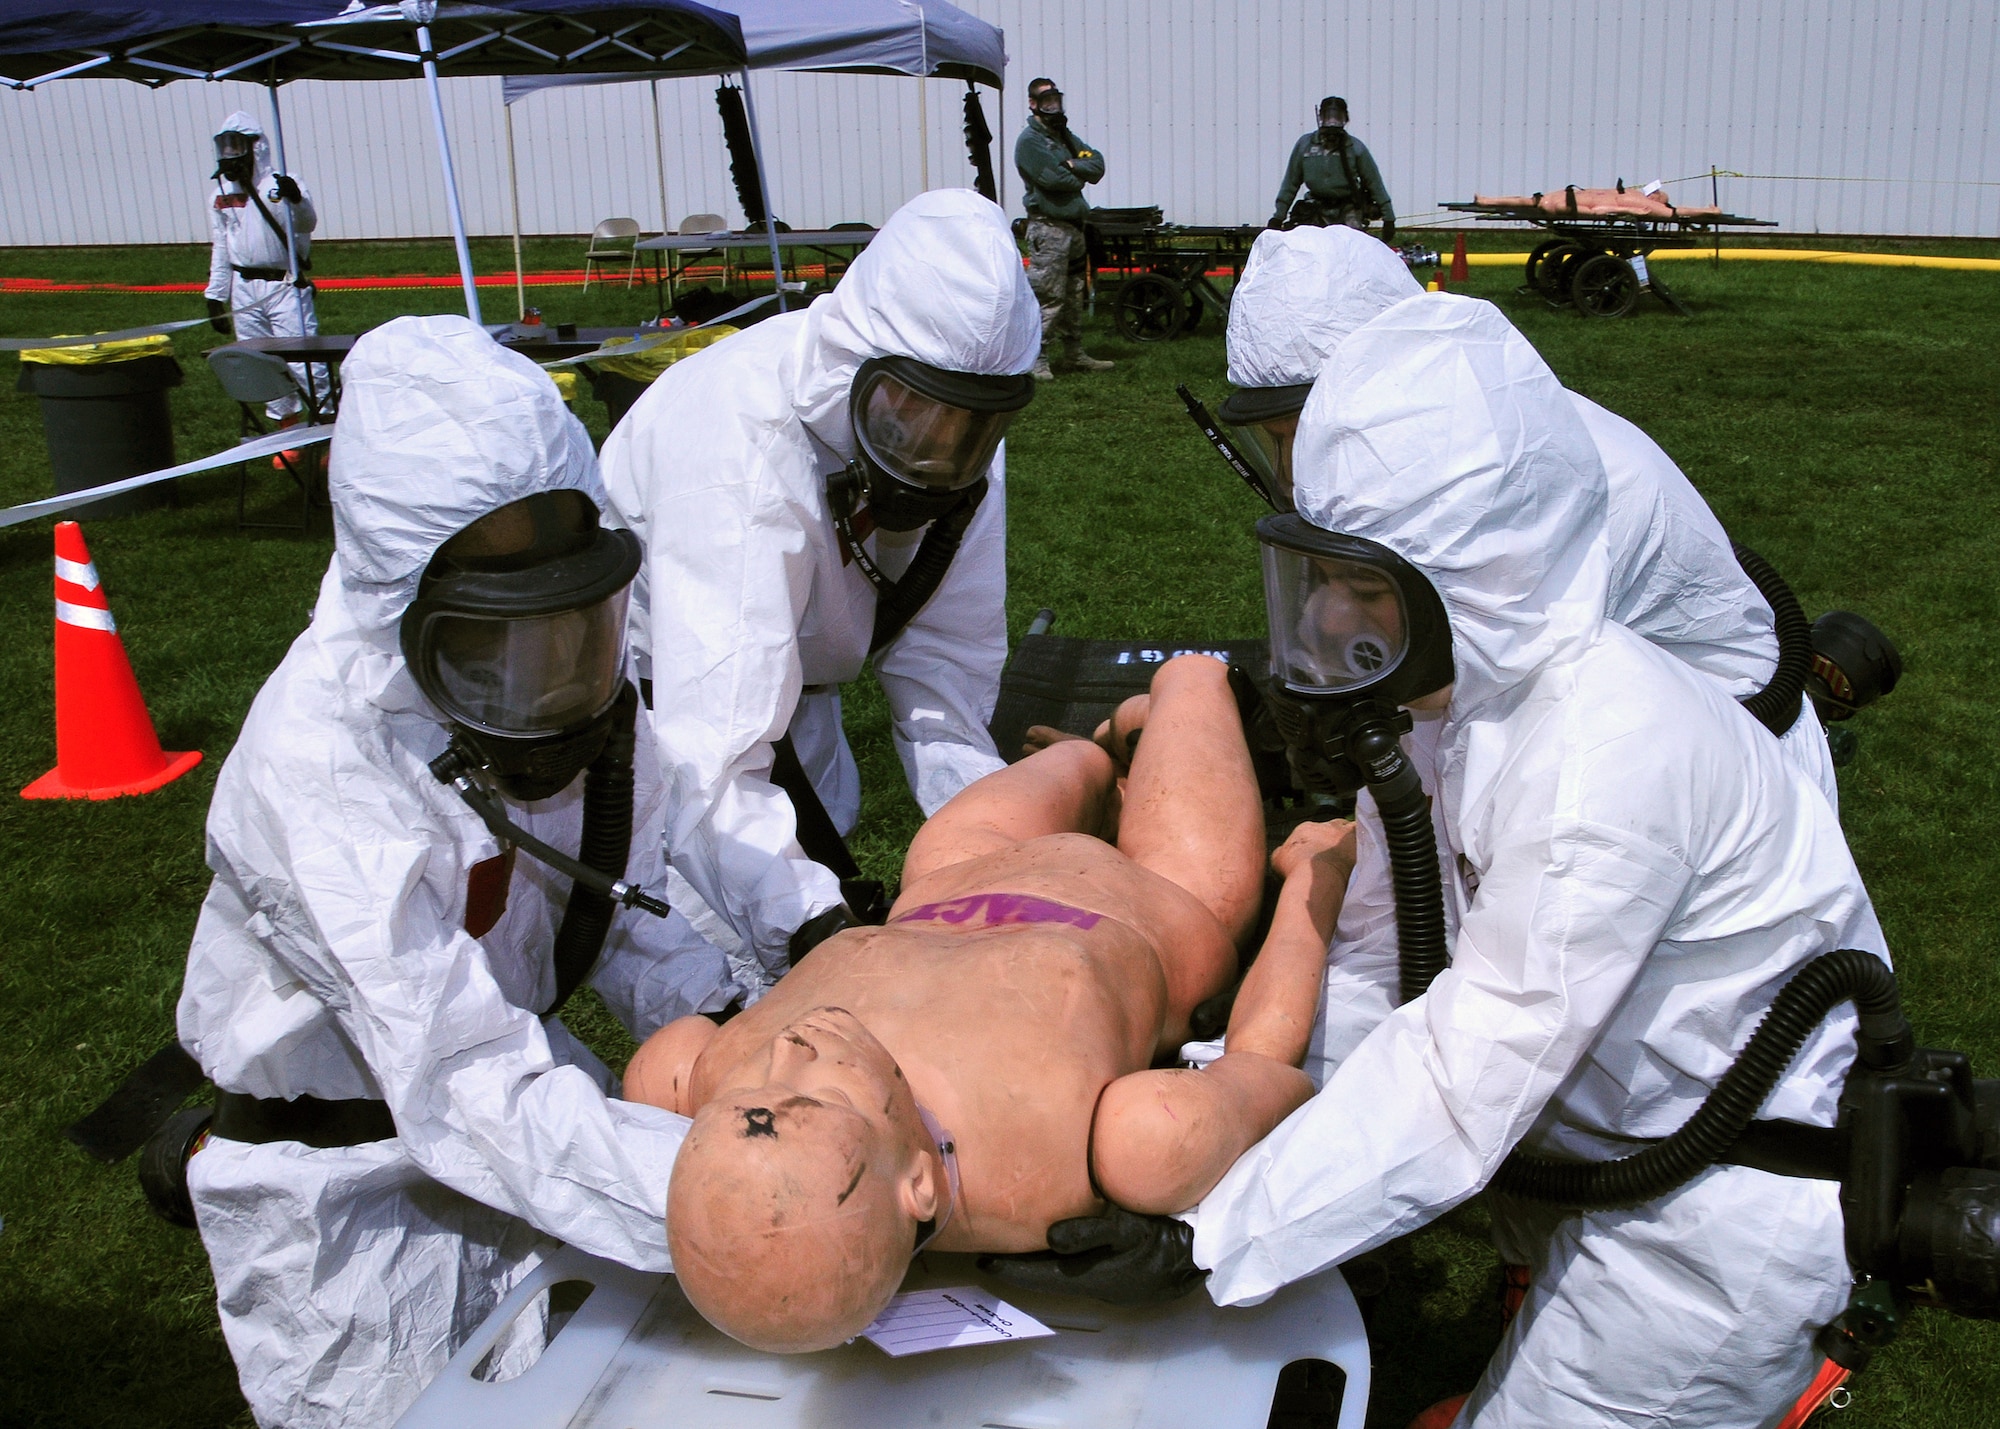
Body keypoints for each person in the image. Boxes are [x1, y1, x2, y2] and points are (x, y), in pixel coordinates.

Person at [999, 295, 1891, 1428]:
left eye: (1361, 590)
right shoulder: (1456, 701)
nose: (1325, 621)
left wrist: (1203, 1232)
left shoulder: (1603, 758)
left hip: (1710, 1217)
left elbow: (1460, 1085)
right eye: (1319, 577)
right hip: (1607, 1132)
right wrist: (1224, 1098)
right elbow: (1379, 948)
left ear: (1475, 576)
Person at [177, 315, 729, 1429]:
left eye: (576, 627)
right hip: (344, 1195)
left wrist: (744, 1035)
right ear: (406, 619)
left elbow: (630, 906)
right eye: (501, 654)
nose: (557, 682)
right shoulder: (318, 764)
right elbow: (461, 1082)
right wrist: (733, 1197)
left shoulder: (586, 691)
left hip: (531, 1107)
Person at [624, 654, 1356, 1352]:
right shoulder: (1089, 1145)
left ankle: (1105, 757)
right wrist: (1309, 885)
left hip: (961, 865)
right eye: (813, 1099)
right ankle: (1142, 733)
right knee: (1193, 680)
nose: (789, 1050)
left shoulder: (715, 1072)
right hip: (1169, 892)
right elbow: (1264, 1062)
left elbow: (669, 1070)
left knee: (1080, 764)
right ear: (916, 1182)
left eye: (757, 1092)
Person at [1206, 223, 1839, 821]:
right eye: (1274, 442)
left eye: (1300, 435)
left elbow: (1489, 699)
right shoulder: (1450, 455)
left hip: (1700, 781)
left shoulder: (1533, 486)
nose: (1291, 476)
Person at [599, 189, 1040, 996]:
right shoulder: (741, 449)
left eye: (967, 427)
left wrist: (998, 848)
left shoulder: (962, 450)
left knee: (819, 886)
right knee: (738, 1006)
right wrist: (816, 929)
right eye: (908, 413)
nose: (936, 449)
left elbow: (945, 676)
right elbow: (714, 764)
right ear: (855, 366)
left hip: (802, 702)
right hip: (670, 732)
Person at [204, 112, 328, 424]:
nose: (231, 154)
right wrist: (216, 294)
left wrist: (296, 199)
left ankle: (325, 421)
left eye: (238, 146)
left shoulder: (281, 185)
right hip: (244, 287)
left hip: (284, 284)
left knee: (303, 358)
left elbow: (306, 223)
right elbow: (222, 243)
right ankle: (285, 425)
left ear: (255, 147)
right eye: (226, 146)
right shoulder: (220, 195)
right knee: (258, 359)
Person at [1015, 77, 1114, 380]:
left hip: (1073, 228)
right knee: (1048, 296)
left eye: (1056, 100)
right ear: (1033, 104)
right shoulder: (1030, 142)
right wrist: (1076, 173)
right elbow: (1053, 181)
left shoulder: (1064, 137)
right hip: (1049, 229)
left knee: (1073, 295)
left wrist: (1071, 165)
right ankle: (1036, 357)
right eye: (1046, 101)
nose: (1053, 106)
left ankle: (1074, 354)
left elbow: (1096, 162)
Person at [1271, 96, 1395, 240]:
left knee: (1353, 246)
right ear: (1320, 118)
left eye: (1337, 118)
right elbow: (1290, 183)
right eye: (1328, 117)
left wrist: (1389, 218)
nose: (1332, 123)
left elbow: (1375, 183)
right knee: (1308, 246)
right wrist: (1278, 217)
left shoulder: (1354, 148)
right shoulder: (1305, 145)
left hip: (1348, 208)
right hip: (1315, 207)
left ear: (1345, 119)